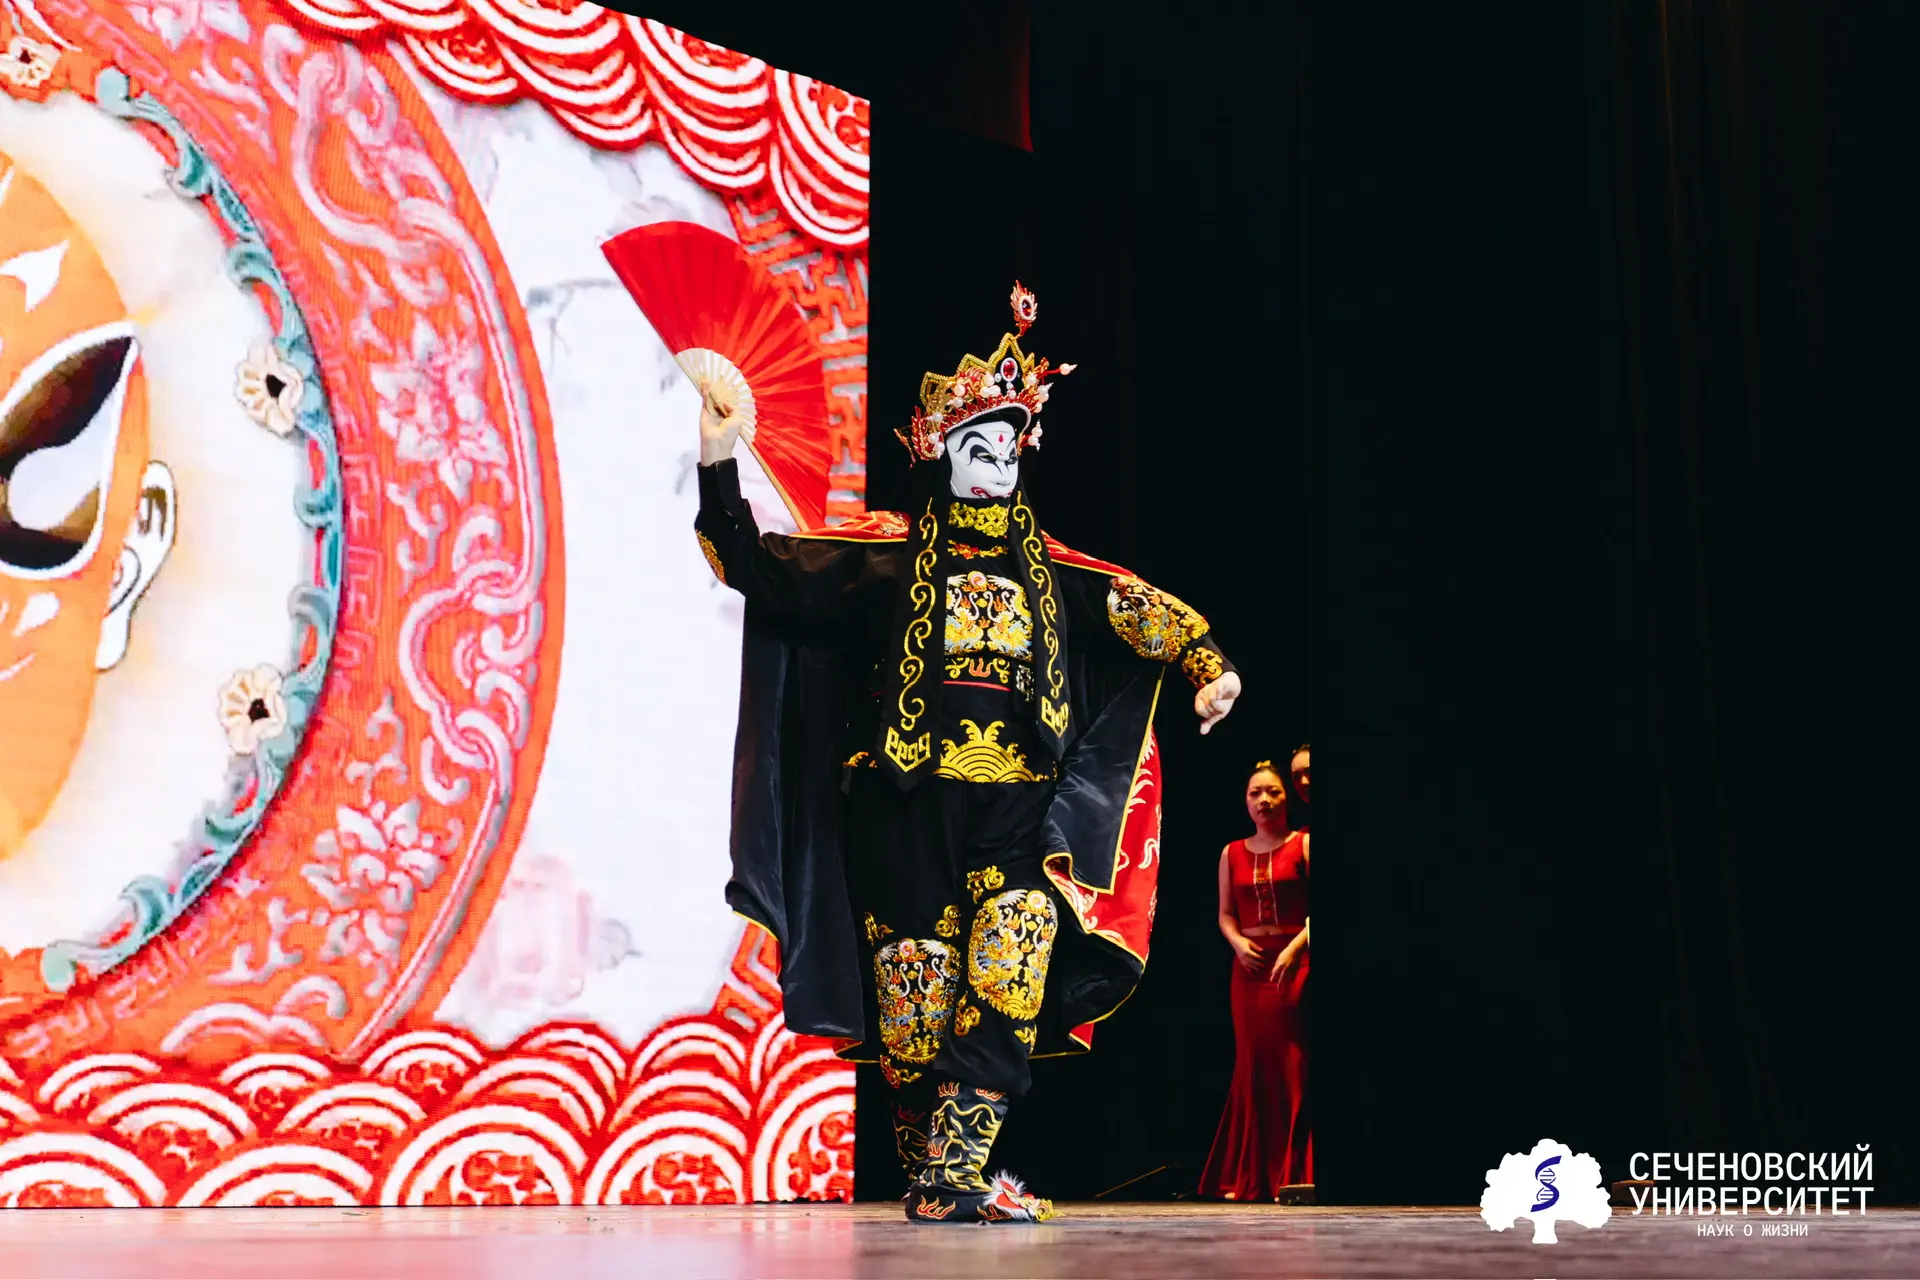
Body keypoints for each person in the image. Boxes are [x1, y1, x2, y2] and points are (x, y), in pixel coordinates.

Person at [692, 284, 1242, 1223]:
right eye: (978, 449)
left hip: (1017, 810)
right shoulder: (881, 560)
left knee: (1011, 963)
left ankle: (955, 1174)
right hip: (902, 809)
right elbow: (751, 563)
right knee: (917, 999)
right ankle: (937, 1182)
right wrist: (716, 456)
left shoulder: (1054, 572)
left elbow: (1137, 606)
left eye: (1009, 452)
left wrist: (1209, 668)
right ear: (939, 452)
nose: (996, 467)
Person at [1199, 759, 1311, 1200]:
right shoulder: (1231, 853)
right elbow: (1225, 914)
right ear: (1245, 802)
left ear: (1287, 799)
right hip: (1248, 969)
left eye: (1273, 792)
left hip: (1295, 963)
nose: (1264, 800)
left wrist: (1295, 947)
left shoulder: (1304, 844)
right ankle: (1253, 1175)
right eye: (1255, 793)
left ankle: (1295, 1172)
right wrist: (1237, 943)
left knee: (1294, 1065)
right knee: (1252, 1065)